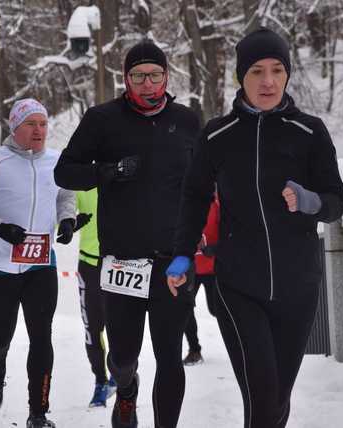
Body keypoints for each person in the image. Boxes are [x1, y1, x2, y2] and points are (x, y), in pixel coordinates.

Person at [166, 27, 343, 427]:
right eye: (257, 71)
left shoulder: (310, 132)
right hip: (238, 285)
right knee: (264, 396)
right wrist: (181, 254)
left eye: (277, 70)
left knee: (276, 398)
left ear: (287, 74)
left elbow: (336, 199)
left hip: (298, 285)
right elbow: (194, 197)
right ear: (240, 77)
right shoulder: (217, 135)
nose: (268, 81)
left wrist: (309, 200)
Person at [55, 41, 201, 428]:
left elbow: (205, 183)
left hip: (174, 259)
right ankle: (126, 390)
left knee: (170, 354)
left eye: (155, 75)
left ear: (167, 77)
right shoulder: (102, 119)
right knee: (122, 356)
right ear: (126, 79)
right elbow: (65, 173)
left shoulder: (188, 121)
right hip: (122, 260)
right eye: (139, 76)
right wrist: (108, 171)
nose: (147, 83)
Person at [0, 98, 76, 428]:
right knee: (2, 336)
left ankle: (38, 412)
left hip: (42, 266)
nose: (39, 130)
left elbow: (65, 197)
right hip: (1, 267)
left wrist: (66, 220)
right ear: (15, 127)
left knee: (42, 338)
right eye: (31, 124)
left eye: (43, 124)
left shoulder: (56, 160)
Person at [75, 188, 117, 407]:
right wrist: (69, 222)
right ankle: (100, 381)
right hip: (89, 265)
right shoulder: (84, 183)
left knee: (119, 327)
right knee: (92, 329)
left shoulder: (125, 178)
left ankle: (121, 376)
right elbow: (61, 211)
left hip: (118, 264)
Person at [182, 192, 219, 366]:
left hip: (213, 268)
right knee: (185, 308)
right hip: (192, 267)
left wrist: (215, 248)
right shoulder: (185, 203)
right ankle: (194, 350)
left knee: (216, 309)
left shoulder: (217, 205)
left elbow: (231, 232)